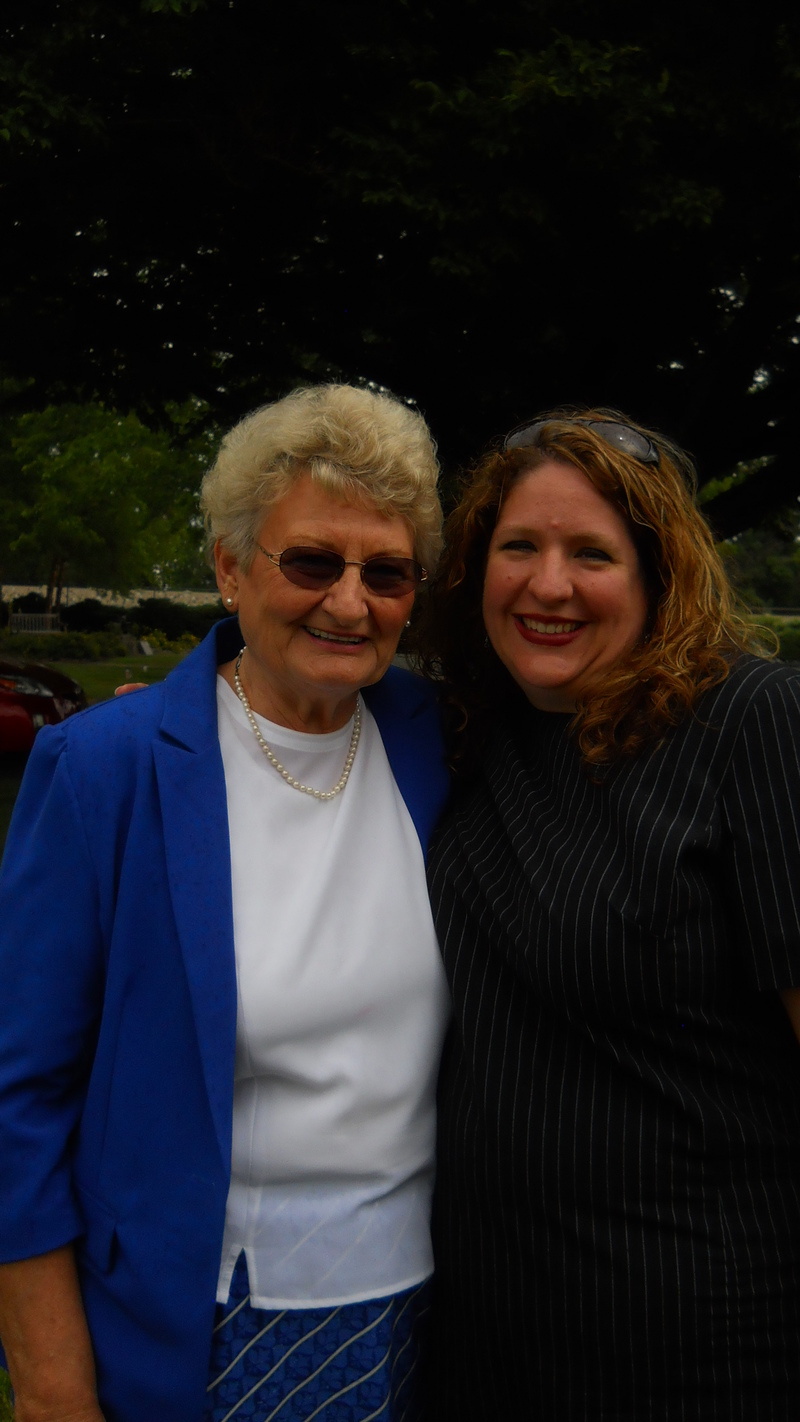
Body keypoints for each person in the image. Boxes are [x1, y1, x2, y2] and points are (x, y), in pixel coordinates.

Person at [0, 384, 451, 1422]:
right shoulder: (103, 770)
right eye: (309, 562)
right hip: (211, 1324)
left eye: (385, 573)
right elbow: (18, 1101)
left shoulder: (436, 738)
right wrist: (54, 1388)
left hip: (429, 1310)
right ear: (227, 568)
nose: (349, 602)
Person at [421, 409, 800, 1420]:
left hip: (700, 1349)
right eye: (518, 547)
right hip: (481, 1348)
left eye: (590, 553)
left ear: (655, 573)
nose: (547, 585)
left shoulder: (747, 724)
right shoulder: (468, 729)